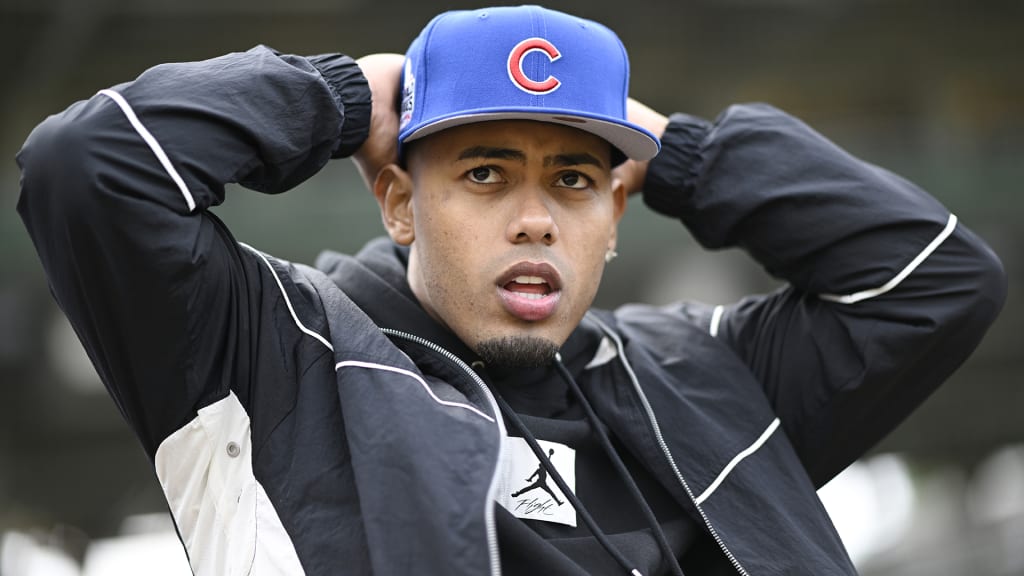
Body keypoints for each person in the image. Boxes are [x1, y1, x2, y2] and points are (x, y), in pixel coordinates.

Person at [15, 4, 1006, 576]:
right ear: (398, 202)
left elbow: (938, 278)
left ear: (617, 211)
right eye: (485, 173)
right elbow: (87, 169)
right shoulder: (273, 350)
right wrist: (347, 95)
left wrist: (682, 155)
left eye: (573, 180)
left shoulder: (708, 372)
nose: (535, 219)